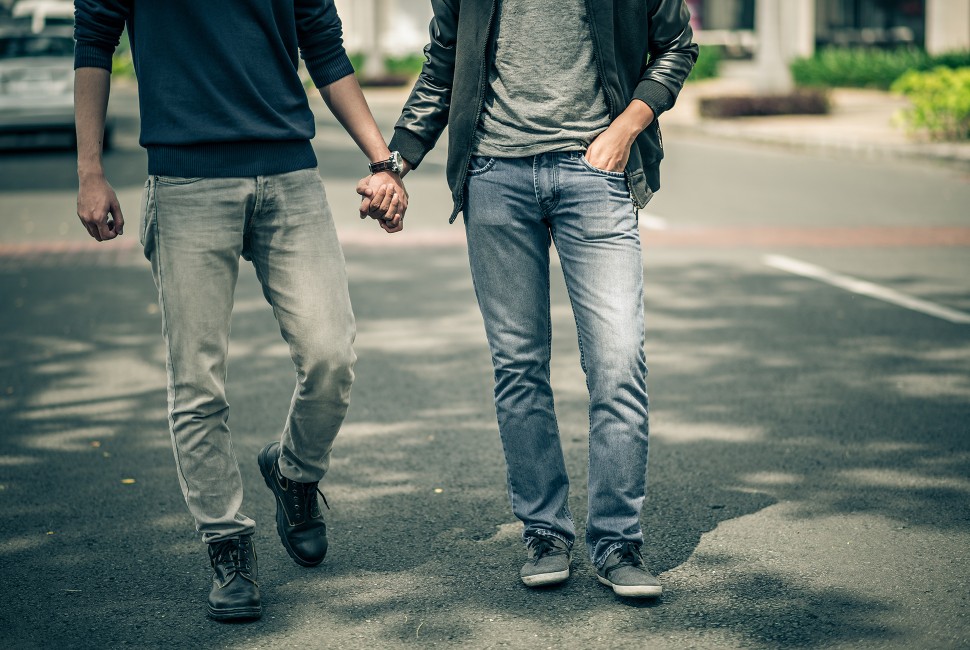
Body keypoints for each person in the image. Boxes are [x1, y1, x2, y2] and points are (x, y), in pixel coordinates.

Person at [74, 0, 407, 621]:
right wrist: (90, 169)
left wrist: (382, 161)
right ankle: (226, 543)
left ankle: (294, 474)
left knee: (331, 354)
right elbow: (94, 40)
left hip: (289, 173)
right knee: (198, 382)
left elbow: (325, 48)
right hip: (185, 181)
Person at [360, 0, 696, 598]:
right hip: (495, 176)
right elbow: (444, 64)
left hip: (594, 172)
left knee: (618, 362)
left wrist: (624, 130)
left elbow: (675, 46)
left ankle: (618, 542)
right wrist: (395, 163)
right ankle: (545, 531)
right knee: (519, 366)